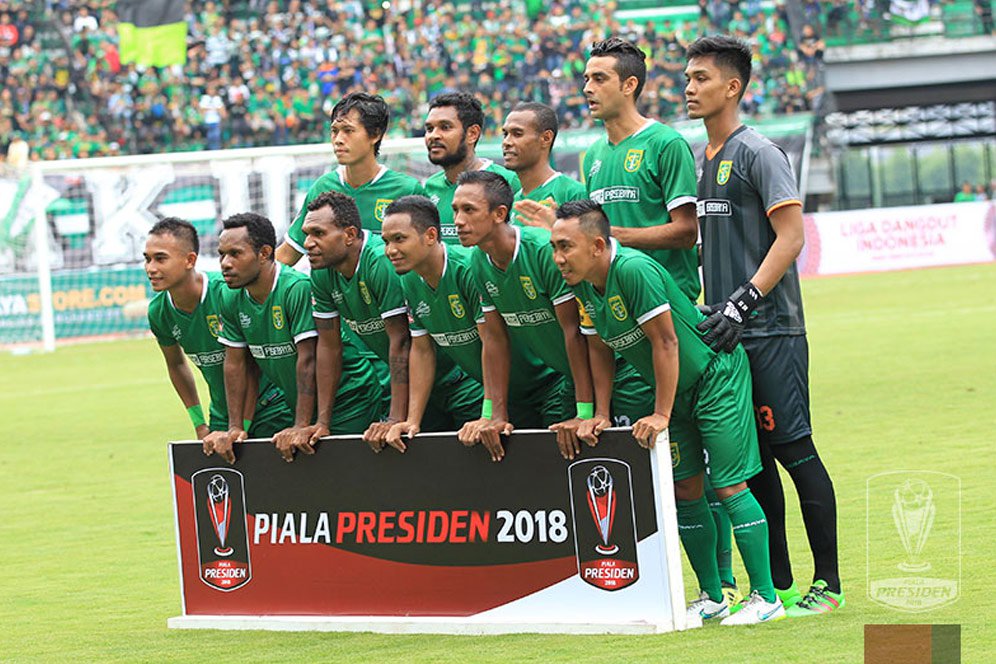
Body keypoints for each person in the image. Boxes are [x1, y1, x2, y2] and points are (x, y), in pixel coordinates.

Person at [551, 199, 783, 625]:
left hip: (714, 375)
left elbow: (667, 343)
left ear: (599, 245)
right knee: (685, 490)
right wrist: (600, 412)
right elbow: (599, 347)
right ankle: (712, 597)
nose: (558, 258)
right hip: (673, 391)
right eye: (554, 247)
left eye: (565, 246)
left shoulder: (633, 271)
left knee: (730, 486)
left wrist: (660, 413)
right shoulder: (581, 282)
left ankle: (766, 598)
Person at [685, 35, 843, 617]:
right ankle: (772, 588)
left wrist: (744, 300)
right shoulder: (699, 160)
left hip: (769, 329)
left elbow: (793, 236)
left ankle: (828, 583)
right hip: (725, 334)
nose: (689, 86)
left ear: (732, 86)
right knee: (752, 463)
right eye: (687, 76)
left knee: (794, 451)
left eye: (701, 77)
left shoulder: (760, 153)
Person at [460, 170, 654, 460]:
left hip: (622, 371)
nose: (459, 220)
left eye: (469, 210)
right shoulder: (478, 260)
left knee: (648, 473)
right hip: (574, 380)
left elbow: (576, 333)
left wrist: (586, 411)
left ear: (499, 214)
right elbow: (495, 339)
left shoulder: (543, 252)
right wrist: (493, 414)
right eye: (455, 210)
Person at [379, 195, 567, 461]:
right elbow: (422, 351)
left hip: (546, 383)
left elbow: (492, 341)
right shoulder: (409, 280)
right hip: (508, 396)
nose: (390, 250)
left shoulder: (467, 268)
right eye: (386, 242)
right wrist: (411, 421)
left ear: (431, 235)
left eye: (400, 239)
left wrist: (488, 414)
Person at [302, 191, 482, 449]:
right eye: (306, 233)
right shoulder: (321, 272)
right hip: (420, 389)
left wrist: (396, 417)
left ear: (350, 235)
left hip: (462, 382)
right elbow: (329, 347)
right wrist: (322, 422)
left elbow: (402, 341)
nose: (308, 242)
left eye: (317, 233)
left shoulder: (381, 263)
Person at [215, 212, 382, 462]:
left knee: (352, 485)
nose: (225, 263)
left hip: (350, 399)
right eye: (222, 254)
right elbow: (235, 363)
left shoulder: (296, 289)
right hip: (304, 405)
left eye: (235, 254)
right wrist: (235, 427)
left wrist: (301, 424)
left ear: (263, 254)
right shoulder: (230, 297)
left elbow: (309, 359)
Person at [144, 218, 292, 464]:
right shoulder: (158, 312)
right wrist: (200, 424)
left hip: (271, 408)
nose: (150, 268)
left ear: (190, 260)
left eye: (160, 259)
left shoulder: (226, 291)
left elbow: (250, 364)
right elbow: (176, 365)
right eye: (147, 259)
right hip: (223, 417)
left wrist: (241, 426)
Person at [580, 37, 700, 303]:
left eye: (599, 79)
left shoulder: (666, 144)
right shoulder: (592, 156)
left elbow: (687, 231)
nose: (588, 88)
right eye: (587, 79)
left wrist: (610, 237)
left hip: (668, 300)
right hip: (618, 300)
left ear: (629, 85)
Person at [275, 92, 425, 265]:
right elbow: (287, 255)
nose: (338, 140)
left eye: (348, 131)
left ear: (375, 134)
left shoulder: (407, 190)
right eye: (334, 131)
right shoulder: (322, 188)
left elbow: (426, 259)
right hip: (331, 293)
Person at [422, 92, 520, 241]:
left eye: (445, 127)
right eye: (429, 129)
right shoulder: (430, 187)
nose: (434, 135)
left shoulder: (508, 182)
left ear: (472, 134)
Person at [499, 102, 587, 229]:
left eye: (517, 134)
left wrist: (556, 229)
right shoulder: (512, 202)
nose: (506, 142)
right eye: (505, 134)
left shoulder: (574, 193)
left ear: (546, 138)